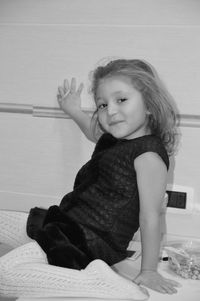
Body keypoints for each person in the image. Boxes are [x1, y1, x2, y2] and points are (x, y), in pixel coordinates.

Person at [0, 58, 180, 298]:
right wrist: (73, 109)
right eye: (103, 105)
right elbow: (93, 132)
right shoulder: (117, 138)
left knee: (3, 276)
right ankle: (72, 272)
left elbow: (151, 215)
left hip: (90, 243)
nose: (111, 111)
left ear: (149, 104)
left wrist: (148, 270)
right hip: (68, 223)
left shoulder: (148, 156)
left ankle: (97, 282)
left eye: (121, 100)